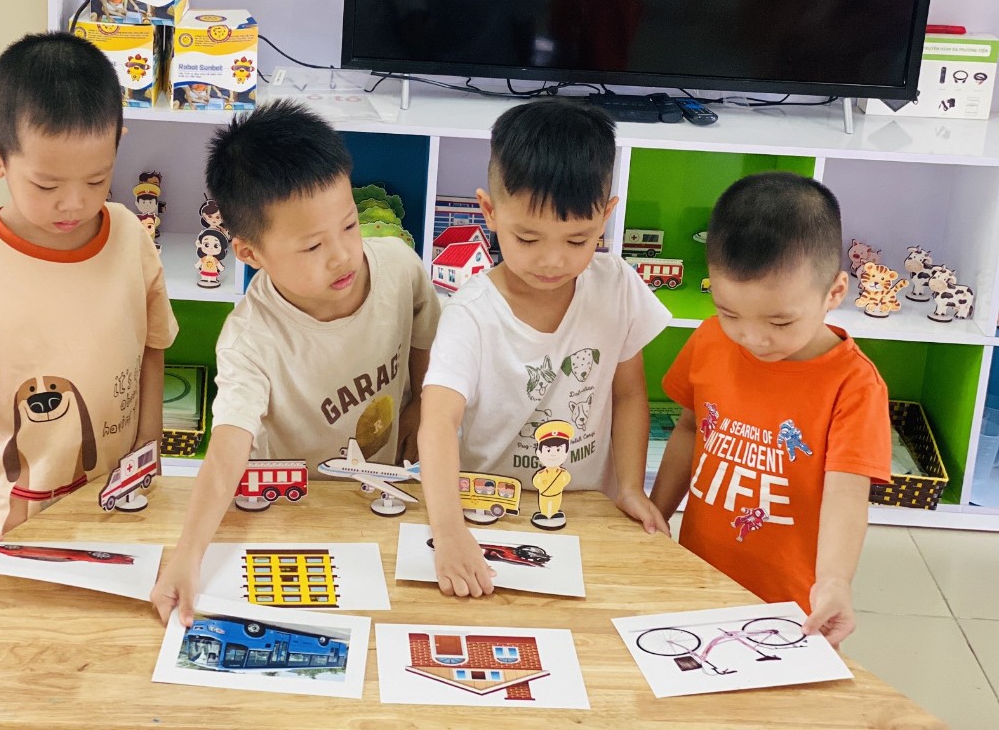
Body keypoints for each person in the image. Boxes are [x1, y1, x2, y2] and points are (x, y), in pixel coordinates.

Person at [150, 100, 439, 624]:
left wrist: (419, 407)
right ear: (250, 254)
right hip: (288, 514)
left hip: (380, 500)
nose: (343, 255)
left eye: (349, 226)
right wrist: (188, 553)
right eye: (312, 247)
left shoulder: (399, 268)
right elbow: (227, 446)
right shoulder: (250, 339)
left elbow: (424, 333)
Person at [0, 31, 177, 563]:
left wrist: (151, 444)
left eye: (97, 180)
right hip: (18, 510)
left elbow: (153, 344)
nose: (73, 204)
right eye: (47, 186)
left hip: (118, 492)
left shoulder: (129, 236)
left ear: (117, 144)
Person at [419, 98, 671, 597]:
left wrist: (629, 488)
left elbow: (628, 395)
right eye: (528, 238)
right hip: (490, 511)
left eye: (578, 241)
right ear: (489, 212)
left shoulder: (616, 285)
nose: (553, 261)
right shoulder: (472, 313)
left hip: (585, 507)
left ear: (606, 216)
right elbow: (438, 422)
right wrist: (448, 530)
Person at [650, 172, 891, 647]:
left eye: (780, 321)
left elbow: (846, 493)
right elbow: (689, 430)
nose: (752, 338)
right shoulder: (710, 340)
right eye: (729, 312)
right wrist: (656, 513)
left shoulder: (854, 385)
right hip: (696, 574)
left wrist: (835, 582)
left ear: (834, 292)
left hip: (789, 605)